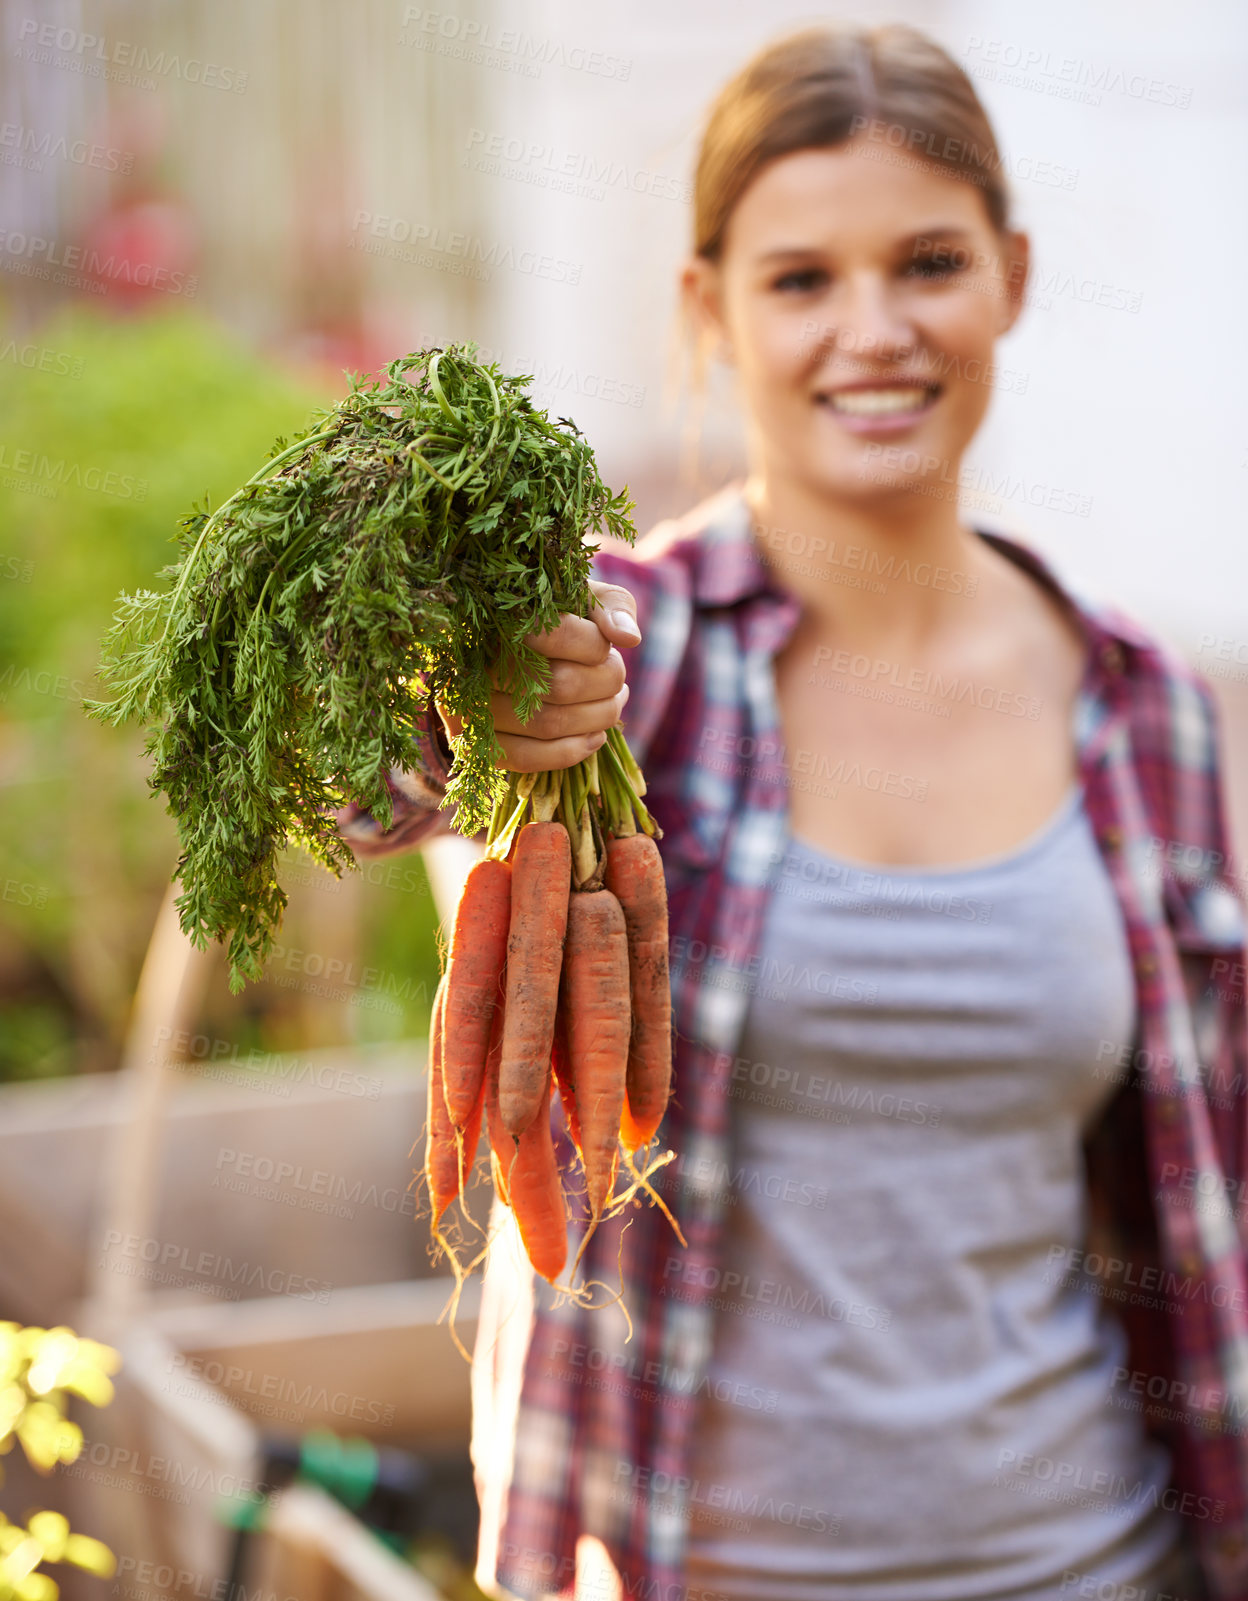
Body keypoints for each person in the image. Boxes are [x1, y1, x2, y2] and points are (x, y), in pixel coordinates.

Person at [337, 22, 1248, 1601]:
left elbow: (1206, 1191)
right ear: (710, 308)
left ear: (1014, 279)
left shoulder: (1142, 707)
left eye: (928, 263)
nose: (873, 329)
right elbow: (347, 788)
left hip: (1102, 1564)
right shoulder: (620, 646)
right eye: (803, 278)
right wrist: (462, 683)